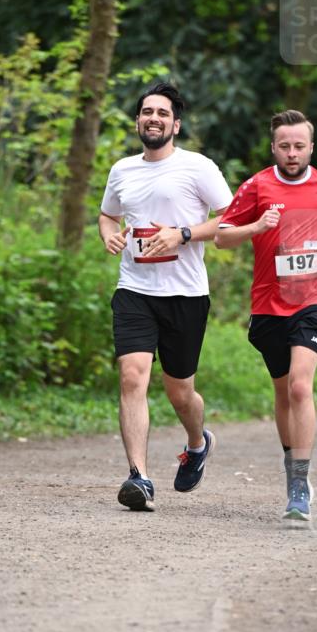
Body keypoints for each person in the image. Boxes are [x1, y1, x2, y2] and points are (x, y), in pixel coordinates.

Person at [214, 109, 317, 524]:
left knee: (300, 387)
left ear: (311, 147)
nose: (292, 153)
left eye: (299, 146)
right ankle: (290, 462)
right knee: (282, 392)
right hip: (268, 303)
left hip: (315, 298)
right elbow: (224, 238)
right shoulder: (256, 186)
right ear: (274, 147)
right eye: (285, 146)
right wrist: (258, 225)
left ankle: (299, 484)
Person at [99, 82, 232, 512]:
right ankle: (139, 477)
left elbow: (232, 218)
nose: (152, 118)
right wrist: (109, 236)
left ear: (175, 123)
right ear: (138, 120)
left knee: (180, 392)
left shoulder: (198, 167)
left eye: (161, 113)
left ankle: (197, 442)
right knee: (132, 376)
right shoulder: (122, 170)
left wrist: (184, 233)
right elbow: (107, 214)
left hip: (186, 294)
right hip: (135, 289)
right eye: (146, 112)